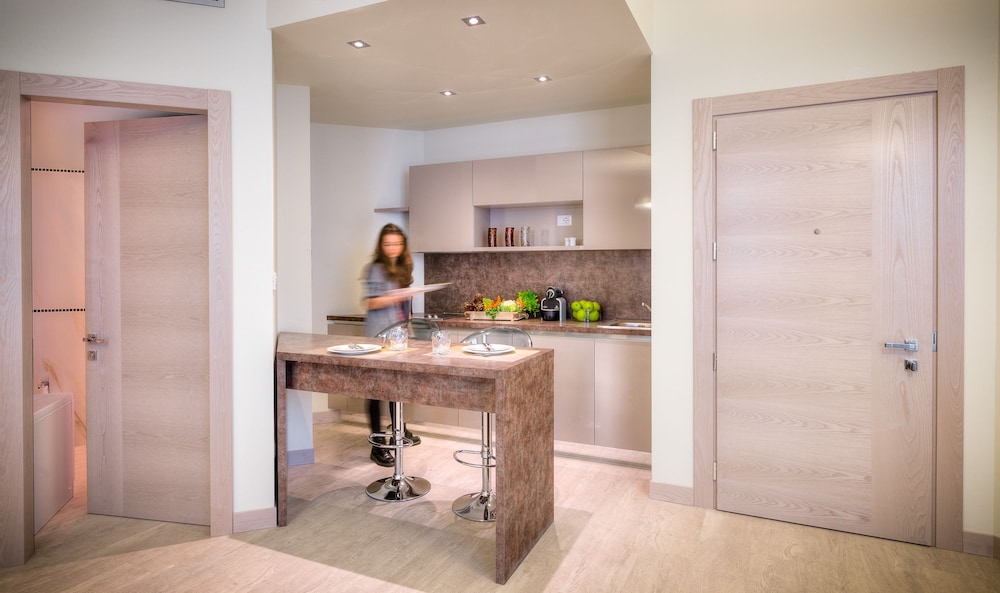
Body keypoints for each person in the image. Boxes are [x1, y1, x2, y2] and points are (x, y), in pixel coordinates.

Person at [362, 223, 420, 466]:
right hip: (379, 337)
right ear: (381, 246)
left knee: (397, 387)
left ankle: (398, 431)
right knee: (376, 391)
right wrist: (395, 296)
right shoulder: (375, 269)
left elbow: (405, 307)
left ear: (403, 245)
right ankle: (378, 447)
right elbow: (370, 302)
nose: (393, 248)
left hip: (398, 336)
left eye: (397, 243)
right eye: (388, 244)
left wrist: (409, 330)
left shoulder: (404, 268)